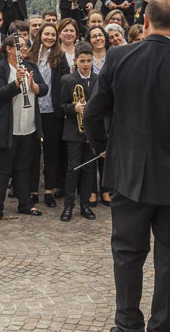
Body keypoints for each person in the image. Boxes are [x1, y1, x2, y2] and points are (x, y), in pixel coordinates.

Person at [83, 0, 170, 332]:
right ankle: (164, 326)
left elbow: (91, 114)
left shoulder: (117, 57)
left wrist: (105, 150)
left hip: (127, 175)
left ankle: (127, 324)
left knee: (127, 254)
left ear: (144, 21)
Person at [0, 34, 48, 221]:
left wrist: (33, 85)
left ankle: (25, 204)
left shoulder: (31, 67)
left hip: (28, 125)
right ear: (9, 49)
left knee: (23, 167)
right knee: (1, 169)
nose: (23, 49)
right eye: (19, 46)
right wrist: (16, 84)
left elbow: (44, 89)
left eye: (25, 45)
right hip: (6, 128)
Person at [27, 22, 69, 208]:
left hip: (52, 110)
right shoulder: (30, 55)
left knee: (52, 152)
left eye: (53, 34)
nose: (50, 37)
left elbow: (66, 81)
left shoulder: (60, 56)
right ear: (40, 35)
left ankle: (49, 190)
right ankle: (33, 190)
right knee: (33, 152)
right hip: (33, 110)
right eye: (47, 34)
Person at [60, 41, 99, 221]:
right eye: (82, 61)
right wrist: (73, 108)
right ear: (75, 61)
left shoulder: (99, 79)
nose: (85, 64)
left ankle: (85, 205)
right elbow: (60, 106)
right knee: (72, 169)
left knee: (89, 170)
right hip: (73, 131)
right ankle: (68, 206)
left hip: (92, 133)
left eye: (88, 61)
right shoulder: (67, 80)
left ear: (93, 61)